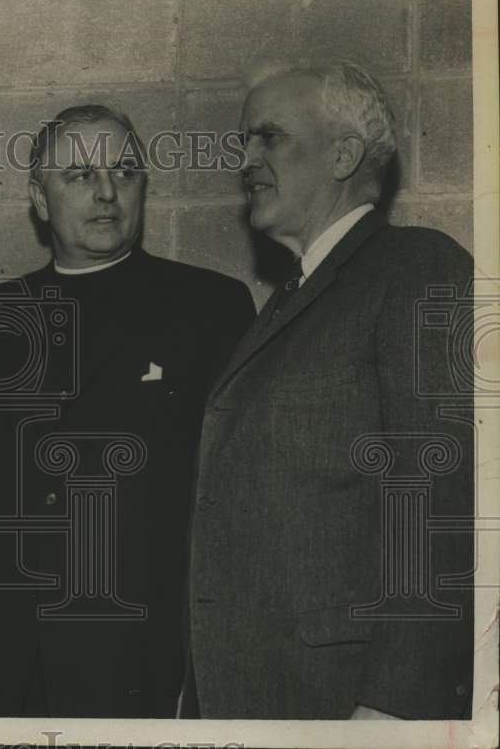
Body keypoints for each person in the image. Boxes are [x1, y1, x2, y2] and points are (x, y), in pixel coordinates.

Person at [0, 104, 256, 717]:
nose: (107, 193)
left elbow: (237, 507)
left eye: (125, 173)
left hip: (146, 655)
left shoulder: (210, 308)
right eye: (79, 176)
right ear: (38, 197)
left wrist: (209, 662)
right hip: (10, 658)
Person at [185, 60, 474, 719]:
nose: (247, 160)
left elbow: (440, 500)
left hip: (347, 707)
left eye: (269, 137)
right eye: (244, 142)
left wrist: (395, 705)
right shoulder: (291, 299)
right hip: (262, 697)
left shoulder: (418, 268)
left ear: (344, 154)